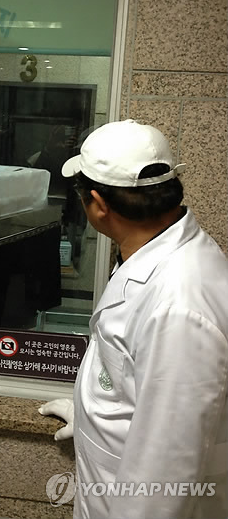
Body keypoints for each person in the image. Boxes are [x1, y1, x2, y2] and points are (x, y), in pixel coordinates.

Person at [39, 119, 228, 519]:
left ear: (98, 204)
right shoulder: (152, 253)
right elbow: (138, 382)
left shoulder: (180, 307)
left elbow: (165, 475)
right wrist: (89, 415)